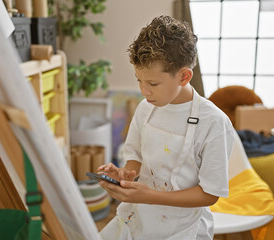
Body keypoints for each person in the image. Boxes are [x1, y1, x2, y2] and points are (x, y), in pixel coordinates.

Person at [98, 15, 234, 240]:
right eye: (138, 80)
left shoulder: (213, 123)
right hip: (139, 217)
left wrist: (150, 196)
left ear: (184, 76)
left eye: (152, 83)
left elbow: (210, 194)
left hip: (184, 228)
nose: (143, 90)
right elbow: (135, 156)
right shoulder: (145, 108)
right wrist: (125, 176)